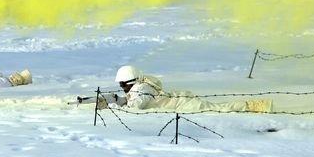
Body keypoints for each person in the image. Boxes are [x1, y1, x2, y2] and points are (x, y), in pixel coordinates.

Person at [97, 65, 272, 113]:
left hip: (184, 106)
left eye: (123, 84)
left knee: (220, 109)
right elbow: (131, 100)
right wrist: (118, 100)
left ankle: (255, 106)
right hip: (182, 102)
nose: (122, 88)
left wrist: (113, 106)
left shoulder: (142, 88)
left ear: (132, 81)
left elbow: (135, 107)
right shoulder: (139, 87)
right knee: (219, 107)